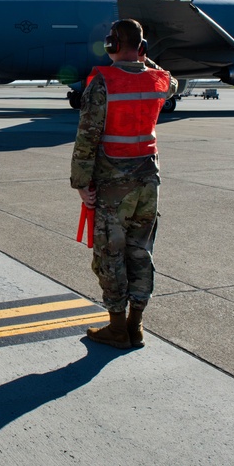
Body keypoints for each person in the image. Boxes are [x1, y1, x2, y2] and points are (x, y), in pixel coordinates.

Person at [70, 18, 177, 350]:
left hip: (114, 183)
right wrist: (143, 56)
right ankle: (136, 324)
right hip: (149, 181)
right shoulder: (159, 80)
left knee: (110, 254)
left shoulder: (103, 82)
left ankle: (117, 327)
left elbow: (87, 137)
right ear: (142, 49)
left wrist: (81, 182)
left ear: (111, 46)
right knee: (141, 251)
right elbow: (172, 81)